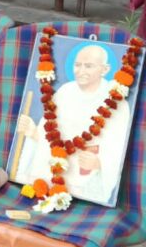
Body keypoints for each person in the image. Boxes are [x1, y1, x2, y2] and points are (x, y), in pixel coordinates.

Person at [16, 43, 130, 204]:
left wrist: (99, 163)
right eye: (78, 65)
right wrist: (34, 133)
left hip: (86, 177)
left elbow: (118, 147)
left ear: (104, 70)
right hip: (52, 171)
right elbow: (51, 133)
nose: (81, 71)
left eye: (88, 66)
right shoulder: (65, 91)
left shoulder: (117, 102)